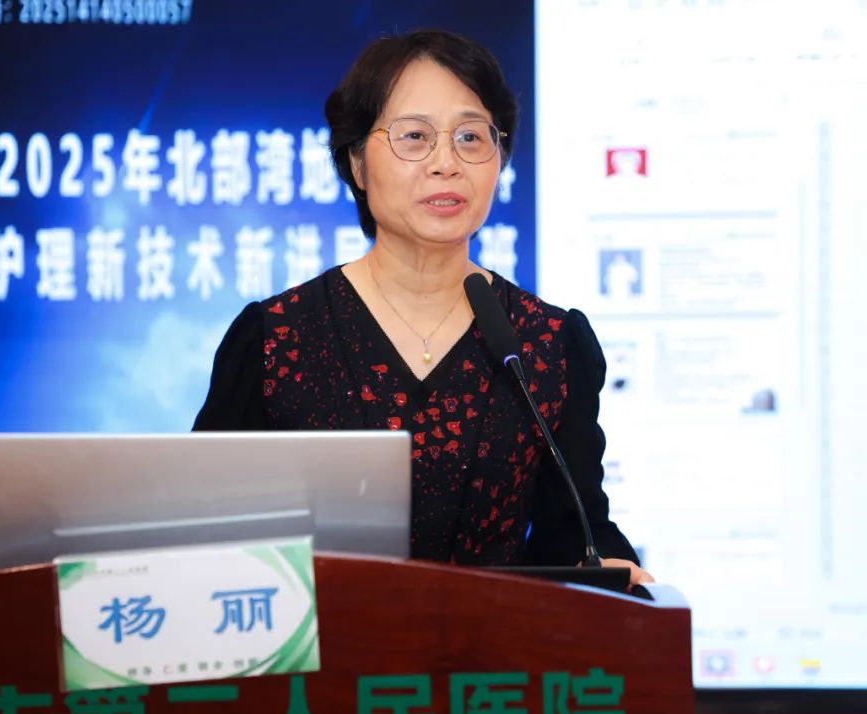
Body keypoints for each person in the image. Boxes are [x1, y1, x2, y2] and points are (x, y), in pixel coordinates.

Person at [193, 29, 653, 587]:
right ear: (357, 164)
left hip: (495, 642)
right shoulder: (275, 338)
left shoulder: (548, 342)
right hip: (318, 640)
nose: (446, 163)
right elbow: (204, 530)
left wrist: (609, 570)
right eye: (414, 136)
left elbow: (576, 535)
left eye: (471, 137)